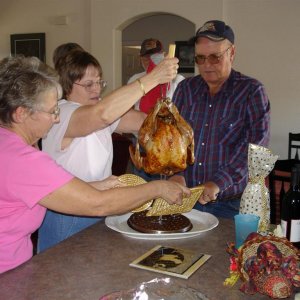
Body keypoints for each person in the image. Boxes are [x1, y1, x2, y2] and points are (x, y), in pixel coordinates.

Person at [0, 55, 189, 273]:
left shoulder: (10, 143)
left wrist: (96, 185)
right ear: (21, 113)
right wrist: (158, 188)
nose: (56, 118)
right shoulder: (24, 158)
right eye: (52, 111)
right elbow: (98, 204)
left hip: (18, 263)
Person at [37, 46, 181, 252]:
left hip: (100, 204)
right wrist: (153, 78)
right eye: (88, 84)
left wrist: (167, 116)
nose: (96, 89)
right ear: (67, 86)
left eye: (98, 82)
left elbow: (141, 122)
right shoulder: (63, 113)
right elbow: (102, 114)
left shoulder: (96, 111)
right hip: (66, 214)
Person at [172, 20, 270, 219]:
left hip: (229, 205)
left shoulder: (251, 91)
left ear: (231, 53)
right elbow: (174, 139)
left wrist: (217, 183)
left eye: (215, 57)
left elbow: (256, 149)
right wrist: (176, 173)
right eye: (200, 58)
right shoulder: (185, 89)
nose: (206, 65)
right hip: (185, 200)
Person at [127, 38, 185, 181]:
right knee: (141, 187)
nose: (150, 60)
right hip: (141, 143)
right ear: (140, 58)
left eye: (155, 56)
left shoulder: (177, 79)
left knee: (164, 189)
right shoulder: (135, 79)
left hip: (167, 145)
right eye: (146, 56)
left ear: (163, 55)